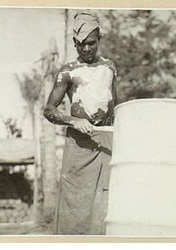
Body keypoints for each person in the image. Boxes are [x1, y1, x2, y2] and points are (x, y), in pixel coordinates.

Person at [44, 12, 118, 235]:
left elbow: (116, 105)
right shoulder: (68, 71)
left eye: (91, 44)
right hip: (79, 144)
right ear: (75, 43)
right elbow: (49, 110)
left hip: (106, 140)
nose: (86, 49)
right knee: (73, 203)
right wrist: (74, 121)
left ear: (99, 40)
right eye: (81, 45)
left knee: (107, 199)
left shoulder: (110, 68)